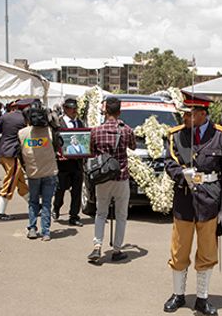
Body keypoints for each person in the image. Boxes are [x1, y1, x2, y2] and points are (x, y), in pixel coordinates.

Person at [163, 93, 222, 316]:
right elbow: (167, 161)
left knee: (207, 250)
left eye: (189, 113)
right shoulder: (175, 136)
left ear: (202, 114)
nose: (184, 116)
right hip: (184, 200)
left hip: (209, 202)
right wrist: (180, 173)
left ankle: (202, 298)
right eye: (184, 113)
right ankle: (178, 294)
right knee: (180, 248)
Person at [87, 97, 137, 263]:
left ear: (105, 111)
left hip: (102, 178)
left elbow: (92, 151)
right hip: (121, 177)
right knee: (121, 215)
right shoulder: (126, 130)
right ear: (120, 112)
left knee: (101, 213)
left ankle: (97, 246)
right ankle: (117, 249)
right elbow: (133, 146)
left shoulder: (96, 131)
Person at [18, 101, 59, 241]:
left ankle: (32, 228)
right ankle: (46, 232)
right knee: (47, 202)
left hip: (33, 172)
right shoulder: (50, 132)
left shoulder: (22, 133)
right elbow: (58, 145)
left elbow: (19, 153)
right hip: (49, 171)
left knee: (33, 201)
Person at [0, 98, 33, 221]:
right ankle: (0, 212)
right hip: (13, 153)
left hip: (2, 151)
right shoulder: (26, 119)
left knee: (20, 181)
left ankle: (35, 205)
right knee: (11, 179)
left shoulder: (5, 117)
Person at [53, 98, 86, 226]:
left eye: (75, 108)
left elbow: (84, 139)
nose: (74, 111)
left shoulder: (80, 123)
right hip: (63, 164)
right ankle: (56, 208)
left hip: (77, 163)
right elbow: (54, 141)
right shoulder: (58, 123)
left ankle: (74, 216)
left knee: (76, 191)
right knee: (60, 189)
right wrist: (57, 154)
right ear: (65, 109)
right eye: (71, 108)